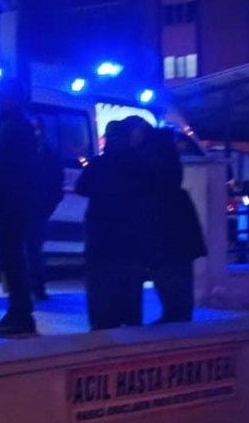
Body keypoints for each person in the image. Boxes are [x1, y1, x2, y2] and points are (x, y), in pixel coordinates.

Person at [75, 118, 154, 330]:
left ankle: (103, 330)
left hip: (101, 238)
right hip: (131, 239)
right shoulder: (139, 164)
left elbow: (81, 187)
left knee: (102, 292)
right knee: (130, 293)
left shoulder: (99, 164)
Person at [0, 79, 38, 336]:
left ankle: (21, 316)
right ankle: (16, 311)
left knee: (13, 259)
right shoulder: (6, 124)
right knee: (9, 259)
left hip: (12, 203)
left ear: (16, 98)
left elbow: (14, 168)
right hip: (3, 202)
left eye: (2, 94)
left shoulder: (18, 127)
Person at [145, 126, 206, 323]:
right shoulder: (170, 163)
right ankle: (179, 314)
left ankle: (172, 314)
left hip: (164, 226)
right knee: (179, 274)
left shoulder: (154, 162)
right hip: (178, 227)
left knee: (166, 272)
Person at [28, 117, 66, 301]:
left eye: (37, 129)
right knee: (31, 248)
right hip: (28, 205)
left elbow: (57, 181)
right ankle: (32, 285)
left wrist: (48, 204)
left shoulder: (48, 154)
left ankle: (37, 287)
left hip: (37, 207)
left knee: (33, 248)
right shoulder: (27, 151)